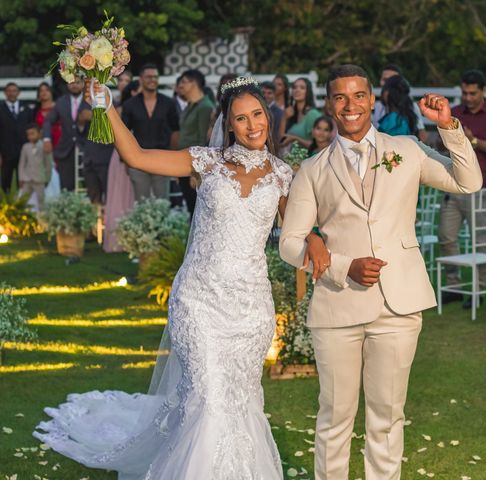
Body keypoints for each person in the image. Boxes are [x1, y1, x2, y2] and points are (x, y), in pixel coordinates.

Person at [34, 76, 330, 479]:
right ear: (228, 124)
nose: (252, 125)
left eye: (257, 114)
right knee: (207, 400)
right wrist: (107, 106)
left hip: (249, 310)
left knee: (239, 401)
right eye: (241, 118)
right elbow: (137, 156)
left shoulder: (282, 176)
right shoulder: (205, 161)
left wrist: (313, 239)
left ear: (267, 115)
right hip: (199, 301)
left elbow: (294, 231)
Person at [280, 64, 481, 480]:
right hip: (337, 307)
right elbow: (289, 242)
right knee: (335, 417)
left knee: (387, 418)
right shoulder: (313, 169)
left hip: (399, 303)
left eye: (358, 96)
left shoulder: (406, 149)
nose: (350, 105)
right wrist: (340, 266)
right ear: (329, 104)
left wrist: (449, 126)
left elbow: (468, 182)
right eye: (340, 97)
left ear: (372, 100)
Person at [440, 69, 486, 306]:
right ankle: (453, 285)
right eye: (464, 93)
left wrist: (474, 141)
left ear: (483, 91)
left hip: (481, 186)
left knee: (479, 238)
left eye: (472, 93)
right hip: (451, 184)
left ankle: (480, 289)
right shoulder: (455, 113)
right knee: (446, 236)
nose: (468, 97)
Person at [121, 64, 180, 201]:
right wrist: (125, 160)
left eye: (155, 77)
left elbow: (176, 131)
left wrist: (173, 155)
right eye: (148, 77)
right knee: (142, 202)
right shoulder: (130, 104)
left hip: (162, 157)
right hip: (138, 158)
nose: (152, 79)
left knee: (162, 201)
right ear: (141, 79)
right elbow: (125, 133)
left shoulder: (168, 103)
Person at [103, 81, 138, 253]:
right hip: (123, 153)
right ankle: (118, 240)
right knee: (120, 195)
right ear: (133, 93)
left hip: (140, 153)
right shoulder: (120, 110)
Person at [177, 69, 214, 215]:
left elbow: (203, 140)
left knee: (196, 208)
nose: (181, 86)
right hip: (183, 161)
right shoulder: (190, 106)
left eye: (184, 82)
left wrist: (196, 172)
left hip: (193, 164)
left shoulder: (205, 107)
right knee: (189, 205)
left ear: (194, 83)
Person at [42, 78, 90, 191]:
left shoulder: (90, 100)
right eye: (71, 82)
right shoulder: (61, 102)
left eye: (77, 82)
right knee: (66, 187)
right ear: (67, 85)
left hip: (87, 148)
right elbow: (48, 121)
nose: (74, 85)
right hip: (66, 150)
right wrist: (46, 139)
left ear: (83, 84)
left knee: (89, 186)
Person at [372, 64, 429, 142]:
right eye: (385, 80)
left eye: (392, 81)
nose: (387, 84)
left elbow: (422, 135)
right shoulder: (378, 106)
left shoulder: (410, 107)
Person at [0, 82, 34, 192]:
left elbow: (32, 128)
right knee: (5, 183)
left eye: (14, 91)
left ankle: (24, 206)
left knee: (24, 181)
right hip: (6, 153)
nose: (11, 93)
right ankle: (5, 207)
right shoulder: (1, 108)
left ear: (18, 93)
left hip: (24, 151)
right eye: (9, 91)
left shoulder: (26, 108)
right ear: (5, 93)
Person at [279, 77, 322, 150]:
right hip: (291, 160)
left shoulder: (313, 114)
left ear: (308, 92)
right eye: (295, 87)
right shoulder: (291, 114)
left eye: (302, 88)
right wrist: (284, 118)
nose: (297, 90)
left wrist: (295, 139)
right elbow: (281, 141)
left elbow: (319, 145)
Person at [18, 123, 52, 211]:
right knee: (23, 200)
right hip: (27, 179)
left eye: (32, 133)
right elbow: (22, 163)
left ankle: (42, 218)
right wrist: (21, 177)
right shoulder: (25, 147)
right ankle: (21, 216)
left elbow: (48, 164)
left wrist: (47, 178)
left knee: (41, 200)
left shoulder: (44, 147)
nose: (30, 137)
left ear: (39, 134)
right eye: (28, 134)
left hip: (39, 179)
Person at [33, 83, 61, 148]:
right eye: (41, 91)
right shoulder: (35, 111)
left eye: (47, 90)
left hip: (60, 143)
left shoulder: (59, 107)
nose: (44, 92)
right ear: (38, 95)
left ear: (51, 92)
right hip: (41, 144)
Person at [261, 80, 284, 144]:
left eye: (269, 93)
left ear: (274, 94)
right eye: (263, 92)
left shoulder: (280, 113)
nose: (266, 95)